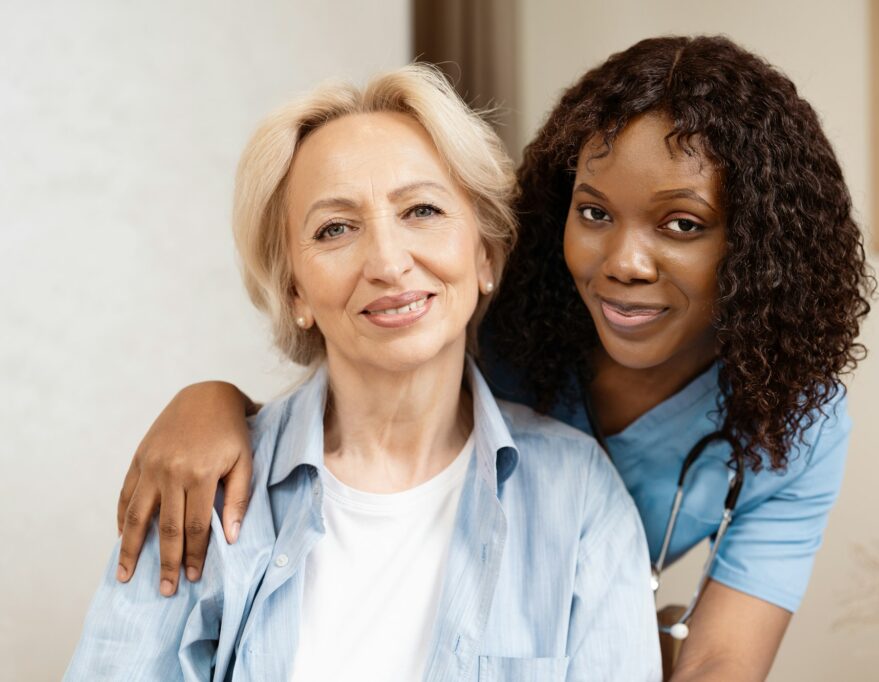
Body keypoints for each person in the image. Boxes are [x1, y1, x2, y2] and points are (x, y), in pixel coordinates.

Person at [113, 36, 873, 680]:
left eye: (681, 223)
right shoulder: (500, 328)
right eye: (594, 213)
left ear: (759, 248)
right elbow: (361, 386)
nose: (625, 262)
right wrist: (211, 401)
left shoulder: (793, 427)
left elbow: (717, 666)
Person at [65, 64, 661, 681]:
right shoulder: (202, 494)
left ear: (484, 254)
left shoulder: (580, 493)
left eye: (423, 210)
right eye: (335, 228)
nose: (387, 262)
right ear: (294, 289)